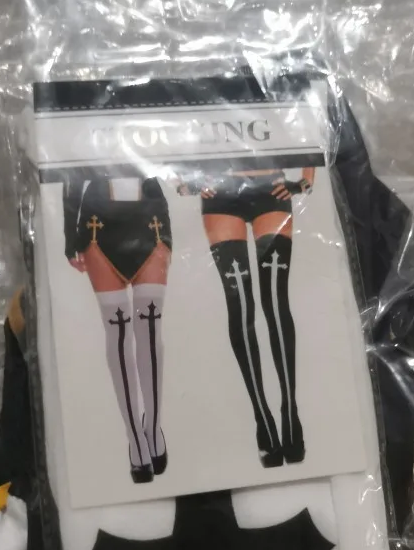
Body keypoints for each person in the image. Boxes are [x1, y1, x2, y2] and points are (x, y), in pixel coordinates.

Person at [182, 165, 314, 467]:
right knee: (240, 305)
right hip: (221, 192)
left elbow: (315, 140)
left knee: (275, 302)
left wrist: (306, 181)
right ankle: (262, 416)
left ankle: (289, 411)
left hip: (270, 186)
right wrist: (184, 182)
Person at [64, 173, 171, 483]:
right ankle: (136, 437)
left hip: (151, 219)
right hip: (99, 225)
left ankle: (153, 426)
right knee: (119, 330)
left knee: (150, 329)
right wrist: (70, 238)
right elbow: (72, 173)